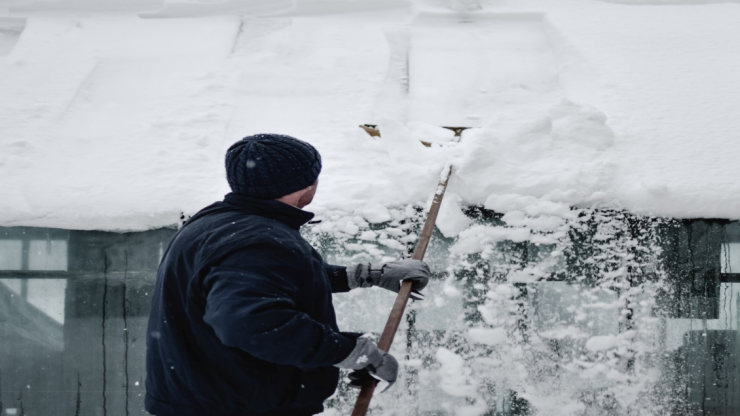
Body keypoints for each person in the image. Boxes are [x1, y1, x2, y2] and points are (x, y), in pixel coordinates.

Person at [145, 133, 431, 416]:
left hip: (206, 398)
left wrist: (365, 275)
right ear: (303, 185)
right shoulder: (258, 239)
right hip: (238, 405)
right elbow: (250, 323)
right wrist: (352, 352)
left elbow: (271, 279)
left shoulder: (216, 224)